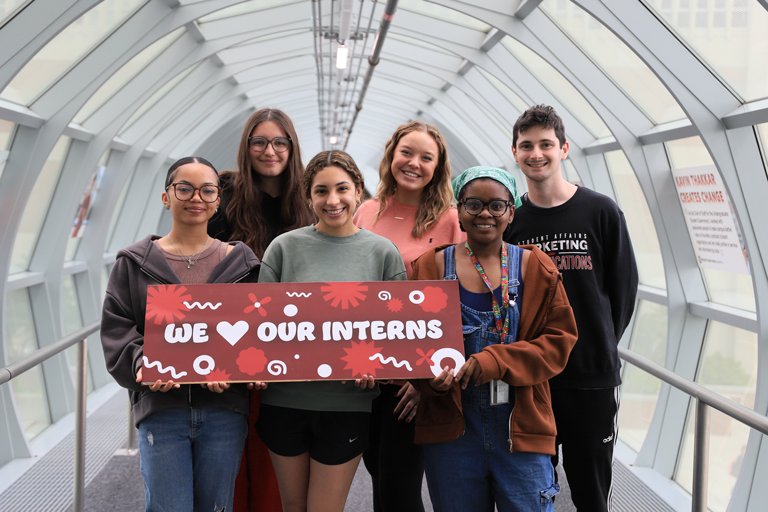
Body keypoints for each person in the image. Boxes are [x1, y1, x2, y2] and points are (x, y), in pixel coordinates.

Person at [409, 166, 578, 512]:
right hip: (452, 429)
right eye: (473, 204)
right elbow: (412, 345)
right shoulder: (431, 267)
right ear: (458, 210)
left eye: (496, 206)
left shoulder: (535, 267)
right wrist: (430, 381)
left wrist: (496, 361)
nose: (485, 213)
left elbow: (560, 340)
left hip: (521, 427)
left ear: (511, 211)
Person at [100, 157, 262, 512]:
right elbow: (117, 327)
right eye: (184, 189)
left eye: (207, 190)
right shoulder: (134, 264)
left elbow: (257, 334)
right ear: (166, 197)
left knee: (217, 507)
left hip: (223, 412)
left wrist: (243, 371)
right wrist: (144, 363)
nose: (196, 198)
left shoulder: (242, 266)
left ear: (218, 200)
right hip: (161, 410)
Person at [504, 105, 639, 512]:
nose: (536, 154)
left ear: (563, 149)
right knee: (529, 491)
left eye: (546, 144)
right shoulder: (512, 220)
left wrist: (596, 345)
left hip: (590, 379)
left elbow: (624, 289)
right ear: (515, 153)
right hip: (532, 380)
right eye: (526, 146)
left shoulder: (600, 211)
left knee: (591, 493)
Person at [256, 150, 407, 512]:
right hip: (284, 402)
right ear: (309, 197)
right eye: (321, 191)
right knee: (292, 508)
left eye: (342, 189)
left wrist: (379, 366)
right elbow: (260, 325)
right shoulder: (283, 248)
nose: (333, 200)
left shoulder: (383, 253)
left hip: (347, 404)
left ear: (359, 192)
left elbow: (398, 332)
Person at [208, 108, 314, 512]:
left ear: (291, 147)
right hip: (233, 343)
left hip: (292, 345)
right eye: (260, 141)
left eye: (279, 142)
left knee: (277, 459)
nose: (269, 151)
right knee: (233, 454)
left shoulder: (308, 198)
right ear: (246, 146)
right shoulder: (224, 195)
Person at [353, 120, 462, 512]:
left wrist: (425, 383)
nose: (414, 163)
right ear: (391, 156)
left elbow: (459, 301)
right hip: (363, 375)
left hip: (411, 382)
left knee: (398, 491)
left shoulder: (451, 221)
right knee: (381, 479)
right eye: (407, 153)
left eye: (426, 157)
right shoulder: (365, 212)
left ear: (438, 166)